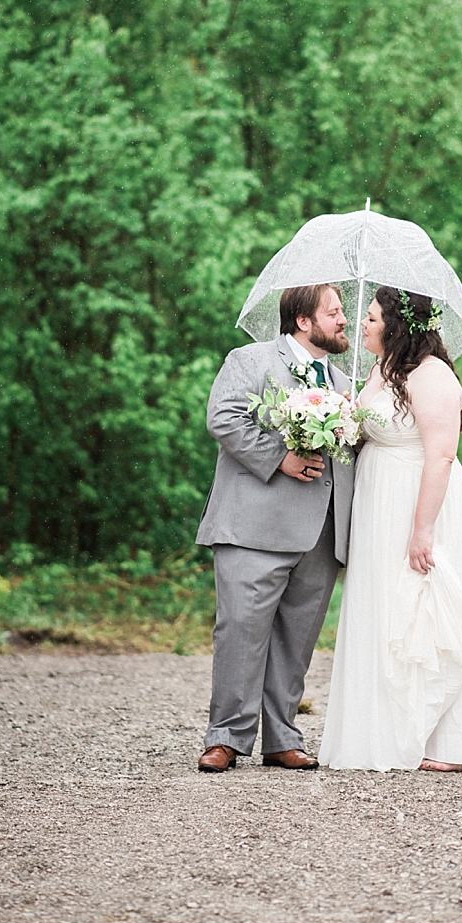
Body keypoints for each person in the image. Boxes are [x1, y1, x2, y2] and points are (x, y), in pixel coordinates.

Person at [319, 285, 462, 772]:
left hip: (417, 503)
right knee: (381, 607)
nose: (363, 324)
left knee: (418, 612)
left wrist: (422, 531)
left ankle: (436, 741)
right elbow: (362, 429)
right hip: (378, 505)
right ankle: (384, 735)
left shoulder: (433, 376)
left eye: (372, 318)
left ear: (397, 327)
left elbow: (441, 455)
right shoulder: (384, 371)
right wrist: (333, 416)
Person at [196, 283, 355, 772]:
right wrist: (279, 457)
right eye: (334, 312)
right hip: (253, 525)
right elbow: (222, 418)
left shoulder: (345, 383)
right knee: (241, 632)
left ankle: (282, 737)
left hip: (321, 533)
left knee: (296, 639)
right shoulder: (249, 360)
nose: (344, 319)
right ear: (303, 321)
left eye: (344, 311)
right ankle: (226, 737)